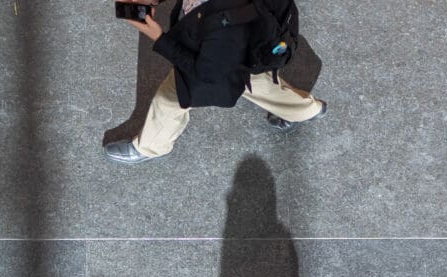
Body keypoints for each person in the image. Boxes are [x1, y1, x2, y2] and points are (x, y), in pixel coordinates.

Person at [105, 0, 325, 163]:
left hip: (222, 54)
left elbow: (207, 74)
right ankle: (306, 109)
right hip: (242, 51)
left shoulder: (228, 25)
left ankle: (152, 146)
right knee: (254, 83)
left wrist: (159, 38)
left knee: (171, 96)